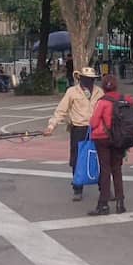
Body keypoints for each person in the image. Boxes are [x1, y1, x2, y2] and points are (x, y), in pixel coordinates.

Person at [44, 67, 105, 201]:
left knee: (100, 158)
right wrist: (51, 125)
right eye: (87, 79)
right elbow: (61, 110)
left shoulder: (99, 92)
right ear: (80, 79)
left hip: (96, 129)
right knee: (77, 159)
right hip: (79, 129)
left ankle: (104, 188)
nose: (90, 81)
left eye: (92, 79)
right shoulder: (72, 92)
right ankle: (77, 188)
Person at [87, 75, 133, 215]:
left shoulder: (102, 102)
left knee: (105, 170)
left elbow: (93, 123)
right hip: (120, 139)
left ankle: (103, 204)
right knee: (117, 170)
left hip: (102, 138)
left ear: (103, 87)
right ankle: (121, 203)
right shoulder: (125, 100)